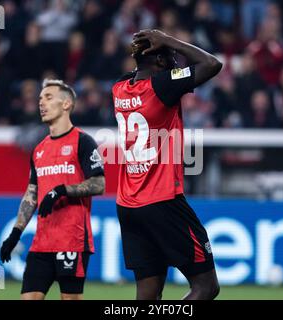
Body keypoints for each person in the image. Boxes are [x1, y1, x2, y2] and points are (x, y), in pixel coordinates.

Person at [112, 29, 222, 300]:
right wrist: (168, 39)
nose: (176, 60)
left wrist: (150, 47)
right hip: (162, 201)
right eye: (171, 56)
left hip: (128, 206)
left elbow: (139, 71)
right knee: (206, 286)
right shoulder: (162, 86)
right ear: (159, 61)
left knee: (147, 297)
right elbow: (212, 64)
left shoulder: (120, 89)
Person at [0, 79, 105, 300]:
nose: (41, 103)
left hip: (72, 240)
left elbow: (99, 183)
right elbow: (31, 194)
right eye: (40, 99)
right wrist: (15, 234)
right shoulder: (38, 150)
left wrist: (61, 190)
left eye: (48, 98)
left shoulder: (83, 142)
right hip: (42, 242)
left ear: (66, 104)